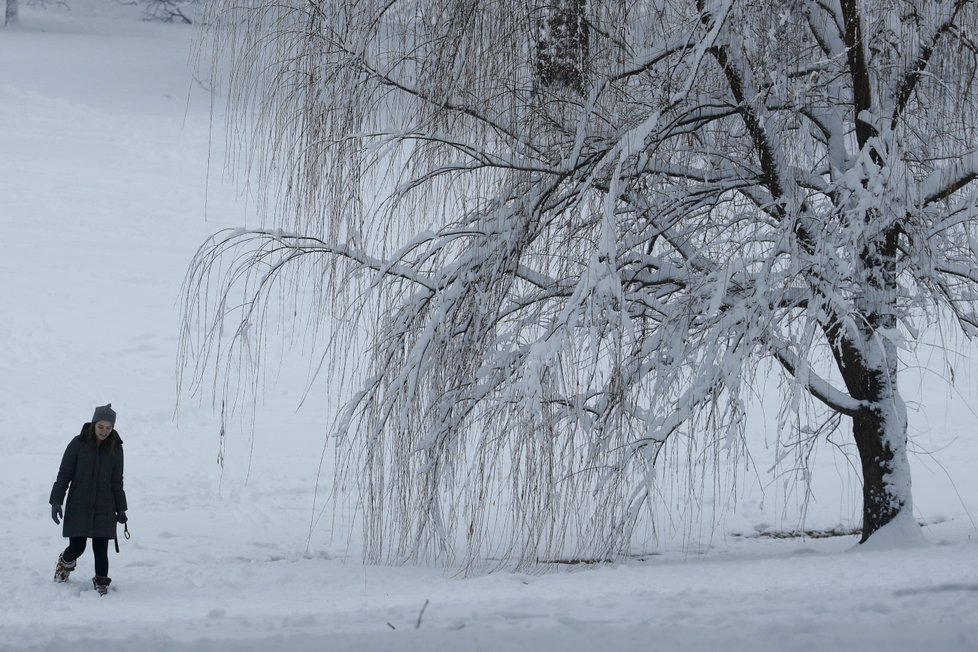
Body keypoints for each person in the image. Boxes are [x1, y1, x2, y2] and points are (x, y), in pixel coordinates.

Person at [49, 404, 128, 596]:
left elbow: (117, 480)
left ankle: (102, 582)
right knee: (78, 546)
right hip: (79, 504)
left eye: (109, 428)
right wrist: (56, 501)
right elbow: (64, 473)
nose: (104, 432)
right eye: (101, 427)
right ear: (94, 424)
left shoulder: (116, 448)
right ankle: (65, 562)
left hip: (105, 506)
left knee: (101, 548)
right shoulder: (78, 444)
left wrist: (121, 509)